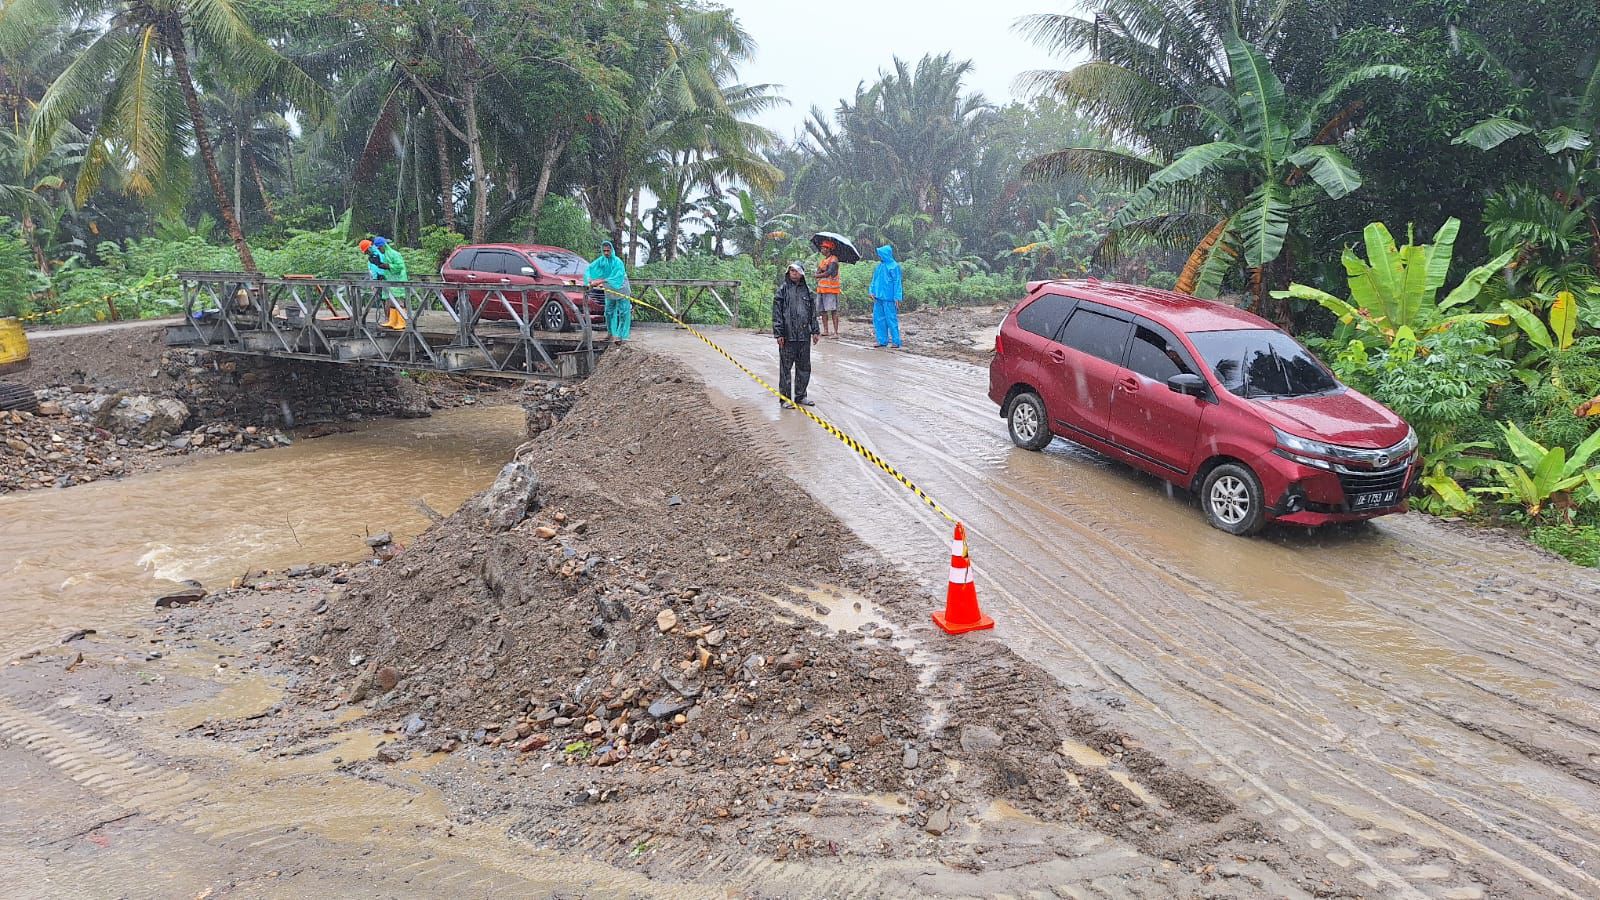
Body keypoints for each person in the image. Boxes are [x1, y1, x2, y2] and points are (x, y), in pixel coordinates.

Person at [773, 262, 821, 408]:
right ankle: (785, 399)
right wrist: (779, 333)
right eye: (791, 271)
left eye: (796, 271)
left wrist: (815, 330)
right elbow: (777, 314)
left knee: (804, 367)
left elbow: (813, 313)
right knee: (785, 369)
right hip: (787, 336)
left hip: (804, 336)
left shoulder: (808, 291)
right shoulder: (782, 290)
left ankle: (800, 396)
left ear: (802, 274)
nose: (794, 273)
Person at [585, 240, 632, 342]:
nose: (606, 253)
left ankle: (622, 336)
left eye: (608, 251)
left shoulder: (618, 262)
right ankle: (610, 333)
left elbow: (616, 277)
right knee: (608, 312)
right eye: (604, 251)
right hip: (610, 290)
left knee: (624, 312)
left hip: (621, 288)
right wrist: (590, 279)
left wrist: (600, 281)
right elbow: (590, 268)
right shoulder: (601, 261)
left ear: (612, 250)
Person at [868, 244, 903, 349]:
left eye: (881, 254)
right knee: (878, 319)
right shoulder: (879, 266)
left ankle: (896, 341)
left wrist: (897, 297)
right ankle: (882, 340)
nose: (880, 257)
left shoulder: (894, 266)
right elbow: (874, 280)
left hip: (889, 298)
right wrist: (871, 291)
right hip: (878, 297)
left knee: (891, 319)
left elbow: (897, 282)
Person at [373, 237, 408, 329]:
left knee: (399, 301)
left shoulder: (394, 254)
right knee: (391, 301)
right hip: (389, 280)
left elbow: (400, 266)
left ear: (384, 246)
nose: (379, 249)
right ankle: (392, 321)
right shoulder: (383, 255)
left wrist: (388, 266)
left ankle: (402, 321)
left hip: (398, 279)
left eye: (380, 247)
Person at [815, 239, 843, 337]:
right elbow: (818, 272)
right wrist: (820, 273)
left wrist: (819, 274)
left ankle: (835, 332)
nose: (821, 249)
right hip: (822, 289)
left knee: (833, 310)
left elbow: (829, 272)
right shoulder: (824, 261)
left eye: (823, 248)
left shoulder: (833, 260)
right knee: (823, 310)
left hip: (831, 289)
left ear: (828, 249)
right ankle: (826, 330)